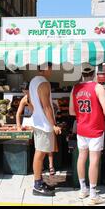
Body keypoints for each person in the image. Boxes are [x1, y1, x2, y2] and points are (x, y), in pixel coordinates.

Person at [69, 63, 105, 205]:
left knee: (82, 157)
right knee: (94, 160)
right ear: (94, 74)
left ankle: (83, 189)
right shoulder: (98, 87)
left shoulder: (75, 88)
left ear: (82, 74)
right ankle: (93, 194)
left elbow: (71, 112)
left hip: (82, 128)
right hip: (96, 128)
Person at [29, 62, 62, 196]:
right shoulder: (44, 83)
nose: (52, 70)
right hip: (44, 124)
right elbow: (47, 106)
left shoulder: (33, 81)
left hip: (37, 122)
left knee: (39, 153)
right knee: (40, 154)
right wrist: (53, 124)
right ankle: (37, 184)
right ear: (46, 68)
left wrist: (35, 115)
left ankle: (39, 181)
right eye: (51, 67)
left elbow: (30, 103)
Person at [16, 83, 58, 176]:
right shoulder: (25, 99)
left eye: (26, 90)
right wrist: (18, 126)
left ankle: (51, 166)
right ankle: (41, 166)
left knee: (49, 146)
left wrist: (53, 123)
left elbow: (48, 106)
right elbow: (18, 113)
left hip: (47, 121)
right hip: (37, 123)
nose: (25, 92)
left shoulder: (37, 96)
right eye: (24, 91)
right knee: (40, 147)